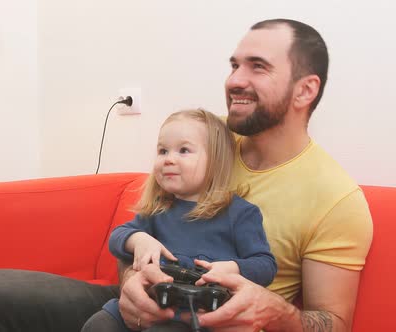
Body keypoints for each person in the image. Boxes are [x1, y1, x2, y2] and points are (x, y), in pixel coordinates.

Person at [0, 18, 373, 332]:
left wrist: (274, 310)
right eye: (234, 64)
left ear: (305, 89)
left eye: (258, 67)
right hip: (130, 302)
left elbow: (332, 323)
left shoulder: (334, 197)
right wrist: (133, 279)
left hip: (207, 322)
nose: (235, 79)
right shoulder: (203, 142)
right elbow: (142, 230)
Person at [82, 109, 277, 332]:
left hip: (203, 315)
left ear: (215, 161)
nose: (169, 160)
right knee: (98, 324)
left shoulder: (241, 213)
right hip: (150, 304)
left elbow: (266, 265)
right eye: (162, 151)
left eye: (183, 150)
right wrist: (138, 239)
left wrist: (233, 268)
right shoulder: (159, 207)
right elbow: (117, 238)